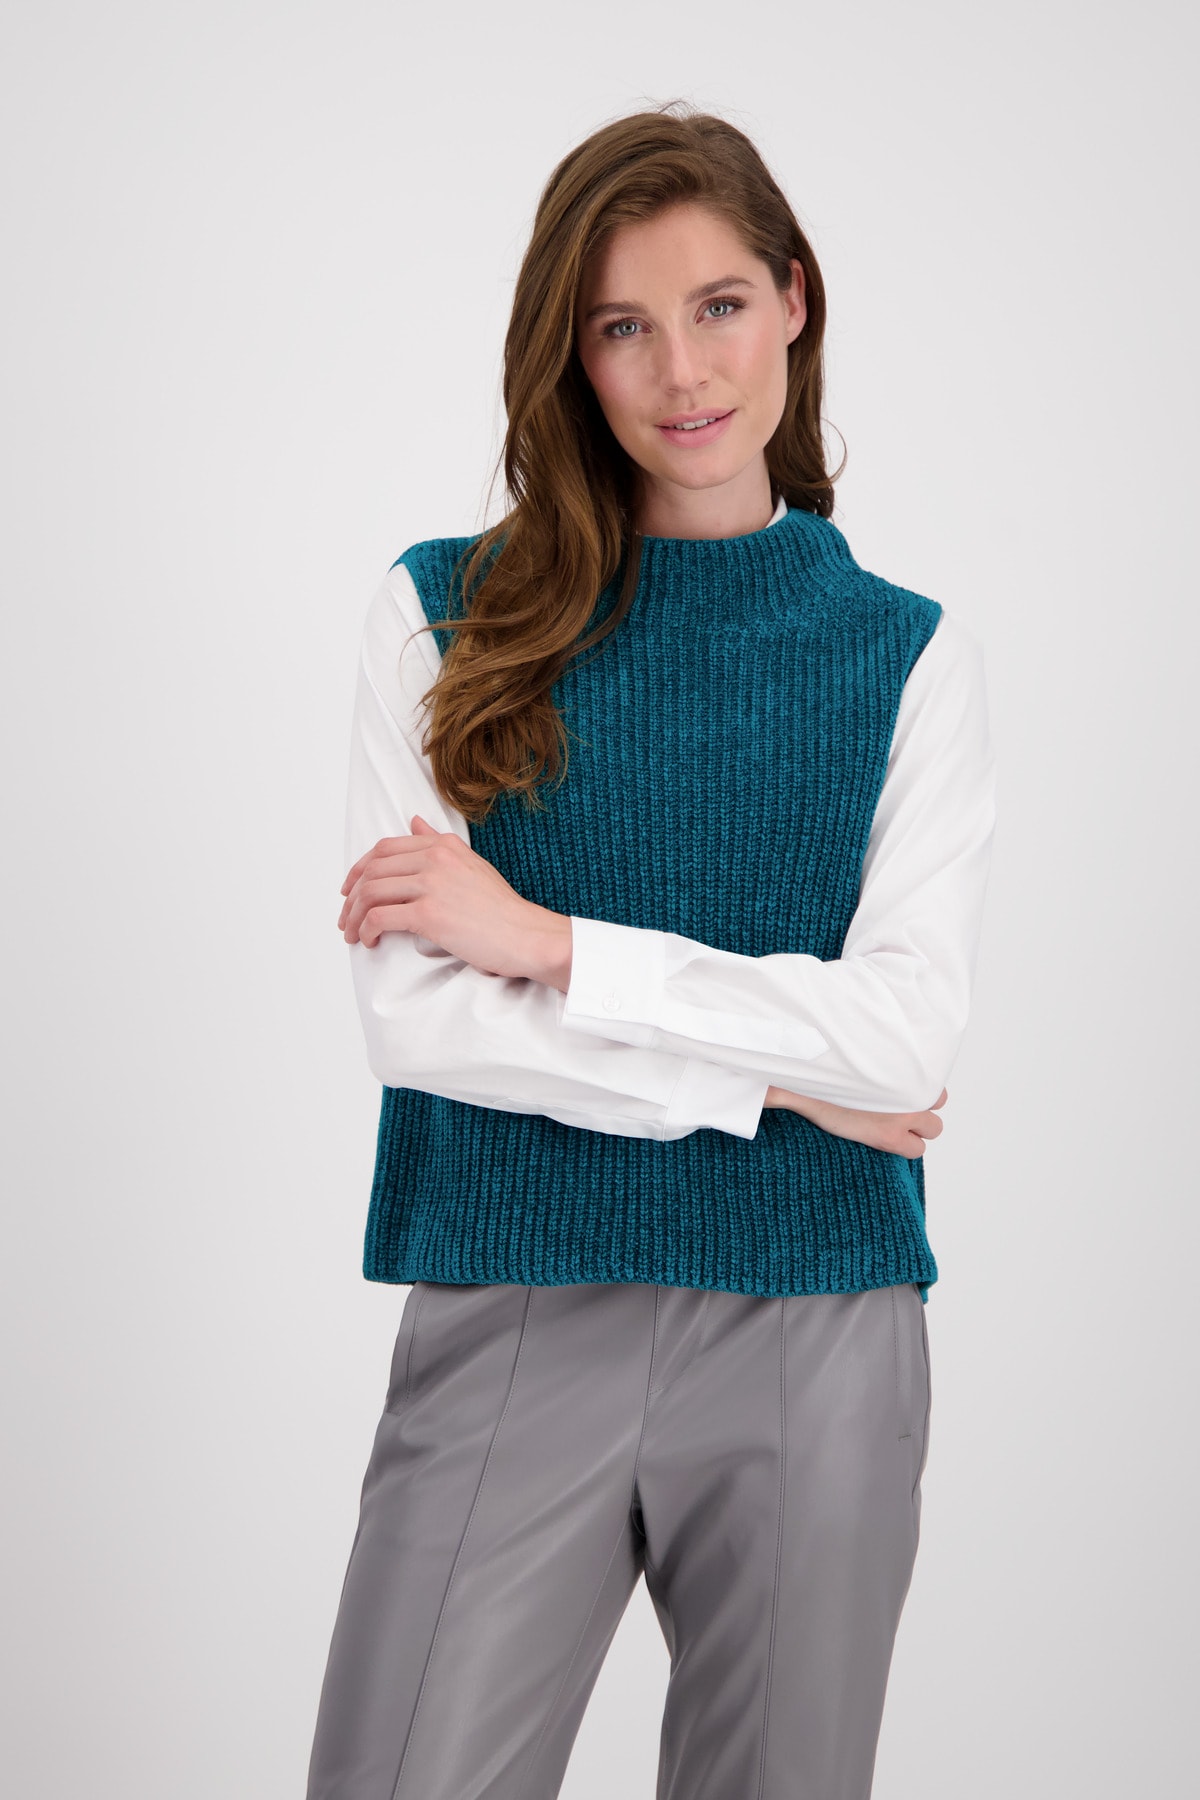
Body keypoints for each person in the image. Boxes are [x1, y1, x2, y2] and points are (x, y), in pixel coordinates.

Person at [306, 102, 996, 1800]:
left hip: (820, 1326)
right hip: (513, 1302)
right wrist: (782, 1084)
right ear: (571, 351)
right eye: (622, 326)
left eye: (719, 307)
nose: (681, 371)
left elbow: (904, 1046)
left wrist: (548, 944)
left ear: (795, 302)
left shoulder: (907, 658)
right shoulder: (442, 617)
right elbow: (423, 1027)